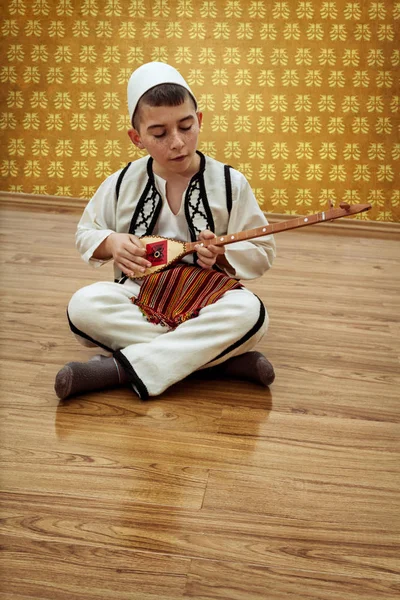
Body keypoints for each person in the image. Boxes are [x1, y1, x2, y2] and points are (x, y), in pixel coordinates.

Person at [55, 62, 276, 401]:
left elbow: (263, 252)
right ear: (137, 138)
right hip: (142, 298)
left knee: (251, 313)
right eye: (159, 134)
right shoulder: (122, 183)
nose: (177, 143)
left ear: (199, 120)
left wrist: (223, 254)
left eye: (186, 127)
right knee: (82, 307)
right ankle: (216, 360)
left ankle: (116, 369)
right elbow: (86, 233)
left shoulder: (231, 183)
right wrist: (112, 243)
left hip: (208, 299)